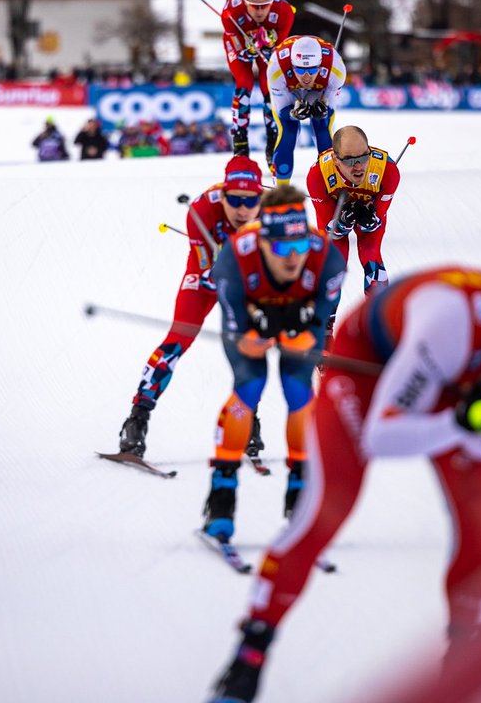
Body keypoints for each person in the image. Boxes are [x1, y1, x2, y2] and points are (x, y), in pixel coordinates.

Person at [208, 266, 481, 703]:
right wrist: (461, 421)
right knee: (327, 508)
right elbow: (381, 437)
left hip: (458, 376)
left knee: (476, 524)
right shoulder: (451, 323)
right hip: (373, 361)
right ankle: (250, 652)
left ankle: (466, 666)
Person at [200, 184, 345, 547]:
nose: (293, 258)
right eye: (281, 248)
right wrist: (253, 334)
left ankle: (300, 491)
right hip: (250, 318)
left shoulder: (327, 258)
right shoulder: (234, 258)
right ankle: (222, 493)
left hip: (298, 315)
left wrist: (304, 329)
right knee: (249, 385)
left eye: (299, 245)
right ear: (263, 242)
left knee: (299, 390)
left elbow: (321, 319)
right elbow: (237, 329)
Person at [116, 157, 265, 459]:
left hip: (247, 279)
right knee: (177, 340)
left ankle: (248, 419)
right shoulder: (200, 209)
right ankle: (137, 418)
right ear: (223, 194)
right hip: (206, 274)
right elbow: (205, 269)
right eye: (234, 200)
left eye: (250, 201)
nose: (242, 210)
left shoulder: (274, 214)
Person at [306, 125, 400, 298]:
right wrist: (342, 224)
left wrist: (370, 220)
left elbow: (376, 222)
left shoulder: (388, 171)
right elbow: (331, 230)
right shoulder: (318, 175)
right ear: (335, 159)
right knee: (332, 264)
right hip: (335, 211)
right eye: (349, 160)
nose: (358, 166)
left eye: (363, 158)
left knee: (371, 256)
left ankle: (377, 310)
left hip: (368, 208)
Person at [221, 0, 294, 162]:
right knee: (244, 82)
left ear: (272, 1)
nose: (260, 11)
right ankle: (240, 143)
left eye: (264, 5)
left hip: (266, 46)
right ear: (245, 2)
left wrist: (268, 45)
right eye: (254, 6)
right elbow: (238, 51)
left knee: (268, 85)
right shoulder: (231, 11)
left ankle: (273, 139)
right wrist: (248, 50)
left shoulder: (284, 10)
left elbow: (279, 47)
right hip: (239, 42)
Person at [267, 34, 347, 186]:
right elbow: (282, 111)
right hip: (289, 89)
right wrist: (293, 113)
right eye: (300, 70)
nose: (306, 77)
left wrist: (323, 110)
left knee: (322, 126)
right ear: (292, 65)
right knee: (288, 130)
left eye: (312, 70)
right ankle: (281, 188)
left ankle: (333, 185)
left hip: (319, 89)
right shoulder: (276, 69)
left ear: (320, 65)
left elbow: (329, 108)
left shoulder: (336, 69)